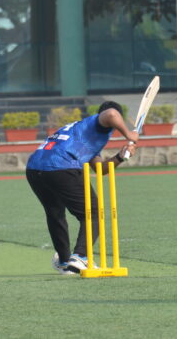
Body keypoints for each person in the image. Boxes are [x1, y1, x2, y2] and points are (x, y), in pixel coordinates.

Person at [26, 101, 138, 275]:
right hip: (61, 165)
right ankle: (80, 257)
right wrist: (129, 134)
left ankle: (64, 261)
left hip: (35, 168)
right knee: (93, 212)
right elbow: (111, 114)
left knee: (55, 212)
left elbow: (101, 170)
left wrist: (120, 157)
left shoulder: (84, 133)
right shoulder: (100, 122)